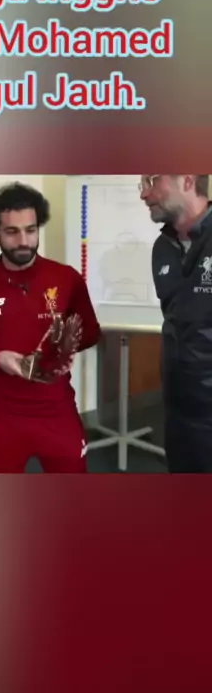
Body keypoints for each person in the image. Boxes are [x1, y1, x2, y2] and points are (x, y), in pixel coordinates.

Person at [0, 182, 101, 473]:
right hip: (1, 415)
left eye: (31, 230)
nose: (24, 241)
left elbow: (92, 331)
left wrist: (65, 346)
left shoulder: (66, 278)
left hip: (57, 410)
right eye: (12, 232)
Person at [140, 173, 212, 473]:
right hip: (177, 410)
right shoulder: (162, 248)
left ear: (187, 180)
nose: (144, 194)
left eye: (152, 181)